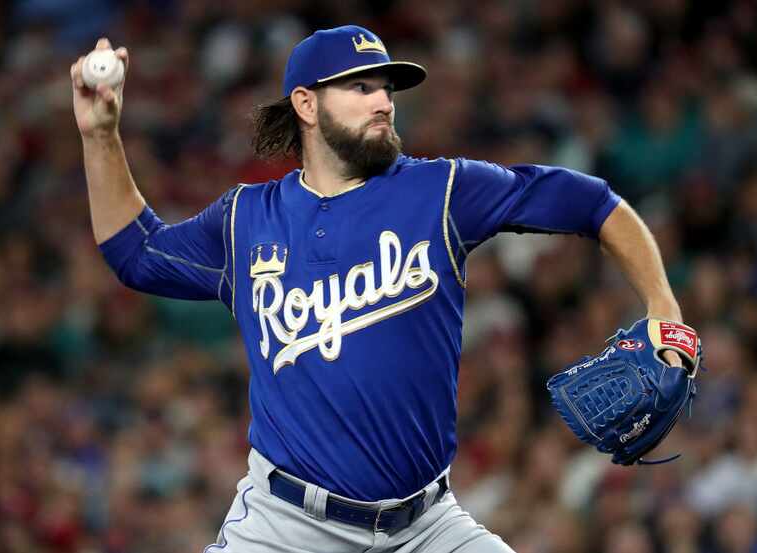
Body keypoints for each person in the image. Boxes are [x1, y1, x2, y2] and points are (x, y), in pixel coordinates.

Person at [71, 25, 685, 553]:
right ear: (307, 105)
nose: (383, 101)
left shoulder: (441, 190)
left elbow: (593, 202)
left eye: (386, 87)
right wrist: (100, 137)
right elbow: (138, 253)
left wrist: (663, 305)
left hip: (426, 526)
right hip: (287, 526)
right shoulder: (246, 219)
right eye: (360, 87)